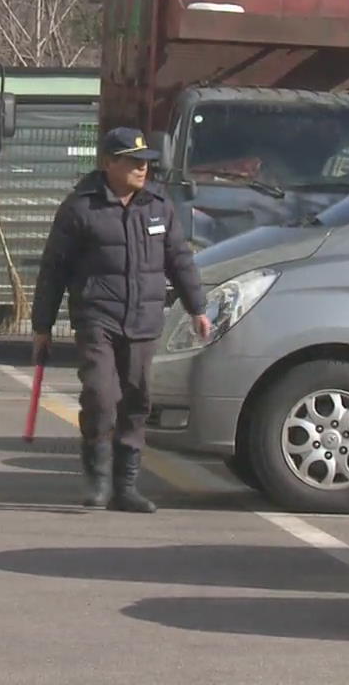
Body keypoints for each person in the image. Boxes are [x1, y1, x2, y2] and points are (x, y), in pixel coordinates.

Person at [31, 128, 211, 514]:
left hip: (144, 320)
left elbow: (179, 259)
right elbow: (53, 270)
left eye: (145, 162)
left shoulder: (159, 206)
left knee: (136, 400)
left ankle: (126, 486)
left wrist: (197, 307)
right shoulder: (81, 207)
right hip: (98, 316)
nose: (142, 169)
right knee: (100, 394)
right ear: (109, 163)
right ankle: (97, 481)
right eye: (133, 161)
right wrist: (41, 326)